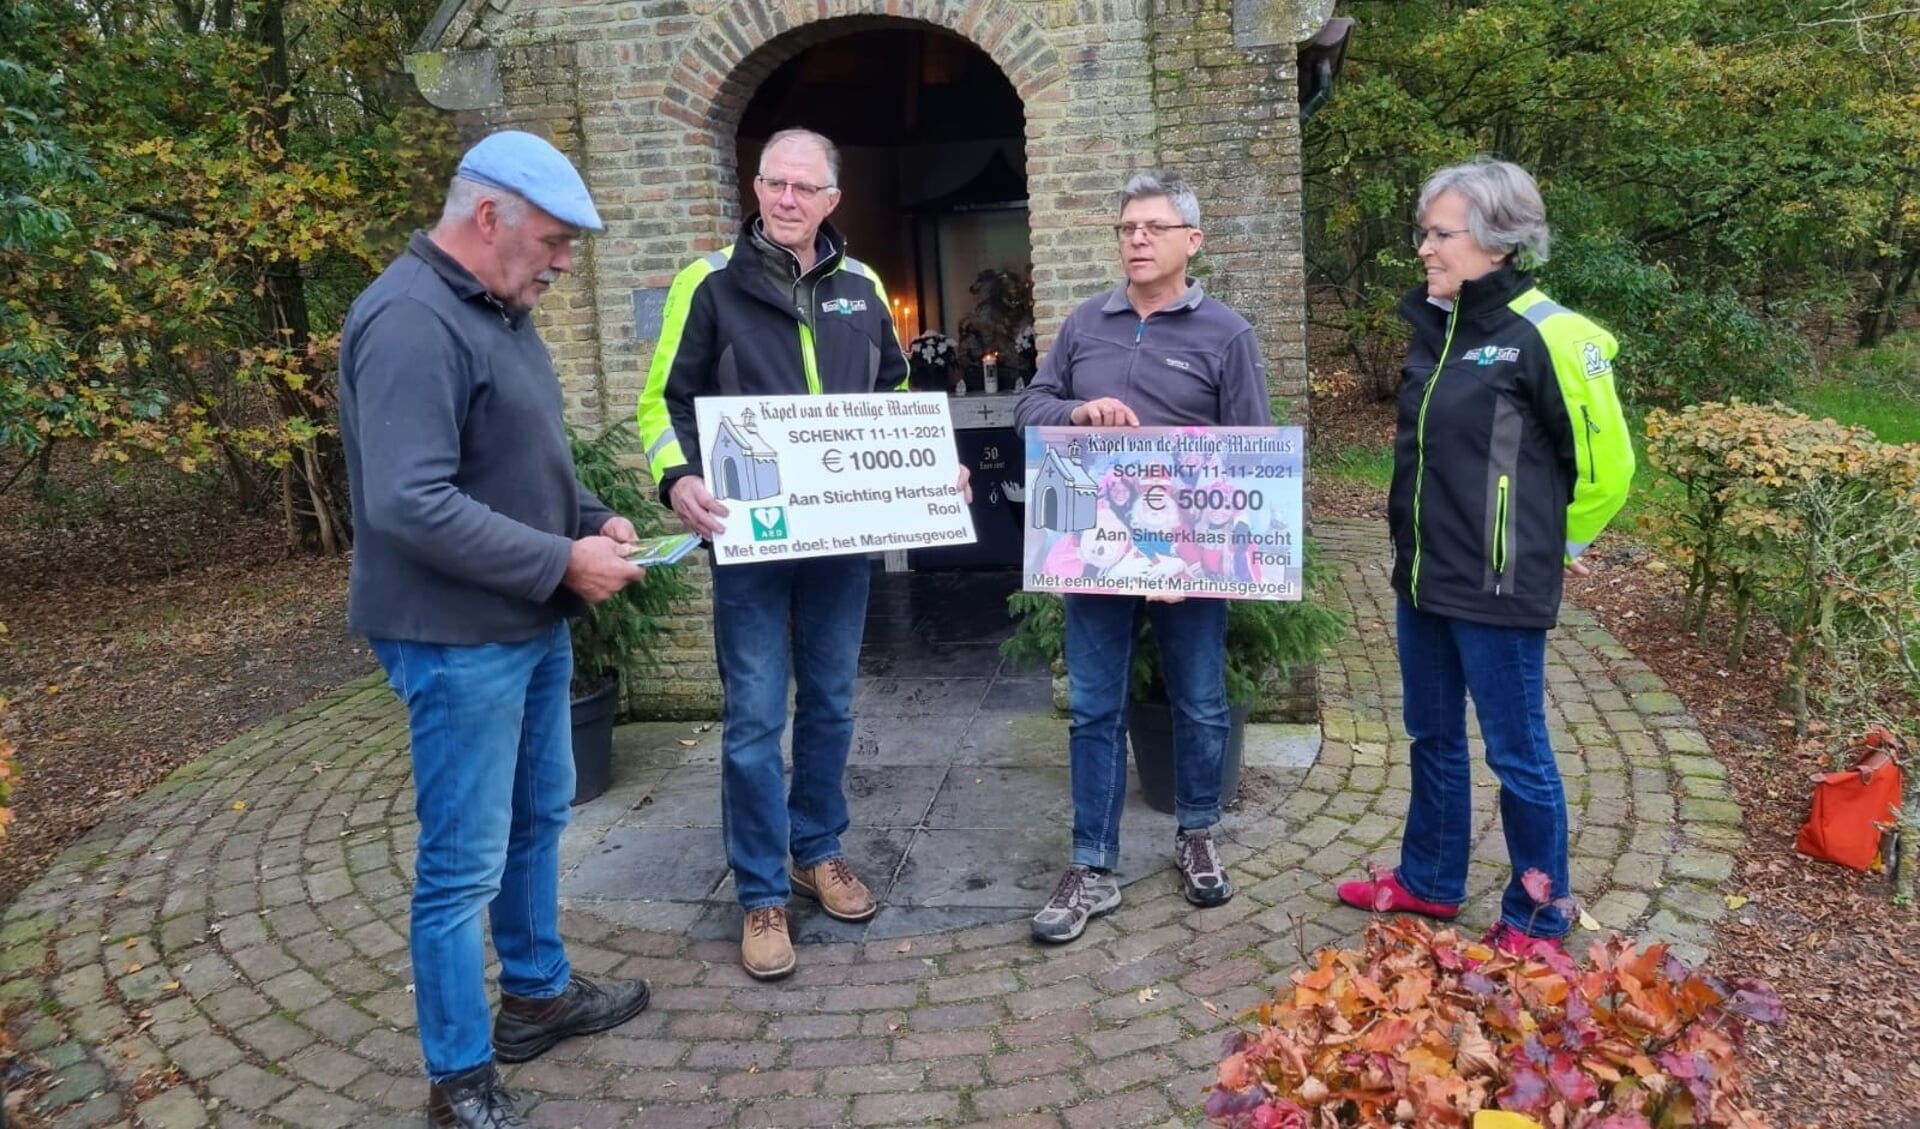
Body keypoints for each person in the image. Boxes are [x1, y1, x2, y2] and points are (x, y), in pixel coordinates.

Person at [339, 130, 654, 1128]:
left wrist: (588, 513)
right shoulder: (408, 319)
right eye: (554, 241)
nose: (563, 263)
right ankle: (458, 1077)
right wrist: (563, 561)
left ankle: (537, 993)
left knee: (537, 817)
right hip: (454, 636)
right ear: (489, 218)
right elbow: (409, 501)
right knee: (462, 860)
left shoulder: (499, 308)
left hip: (523, 621)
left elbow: (523, 458)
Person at [638, 127, 938, 980]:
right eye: (774, 183)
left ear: (831, 201)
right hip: (749, 542)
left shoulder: (865, 285)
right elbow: (661, 402)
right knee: (755, 718)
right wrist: (677, 482)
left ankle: (819, 849)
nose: (787, 200)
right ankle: (762, 892)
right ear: (757, 187)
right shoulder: (708, 282)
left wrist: (925, 464)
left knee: (834, 705)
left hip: (839, 541)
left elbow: (896, 395)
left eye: (805, 188)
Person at [1334, 158, 1634, 958]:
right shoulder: (1443, 328)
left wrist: (1543, 550)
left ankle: (1537, 917)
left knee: (1517, 750)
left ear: (1497, 239)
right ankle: (1430, 878)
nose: (1424, 248)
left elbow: (1608, 471)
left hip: (1498, 586)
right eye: (1423, 233)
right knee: (1431, 733)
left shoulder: (1552, 334)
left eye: (1440, 233)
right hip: (1424, 577)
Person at [1015, 170, 1272, 944]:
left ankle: (1196, 831)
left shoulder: (1227, 333)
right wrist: (1076, 409)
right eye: (1126, 227)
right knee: (1094, 706)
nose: (1135, 239)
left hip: (1187, 559)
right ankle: (1092, 865)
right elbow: (1030, 408)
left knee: (1197, 700)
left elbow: (1250, 458)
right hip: (1093, 550)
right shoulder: (1084, 324)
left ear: (1191, 241)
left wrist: (1188, 562)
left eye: (1153, 227)